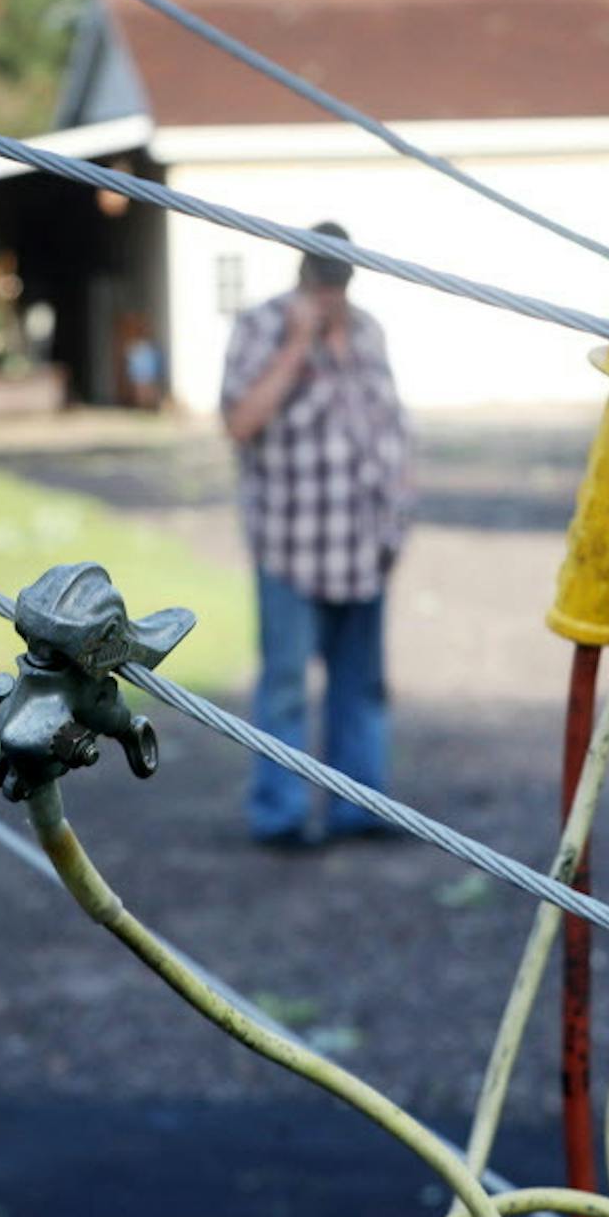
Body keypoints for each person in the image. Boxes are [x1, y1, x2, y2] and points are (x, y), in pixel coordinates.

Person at [221, 223, 411, 849]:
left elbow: (389, 425)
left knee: (362, 687)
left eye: (341, 282)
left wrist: (401, 509)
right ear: (303, 274)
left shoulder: (370, 330)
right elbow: (241, 422)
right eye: (323, 281)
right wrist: (298, 344)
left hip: (365, 547)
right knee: (284, 687)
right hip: (292, 546)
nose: (332, 294)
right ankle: (279, 814)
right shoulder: (261, 325)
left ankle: (360, 805)